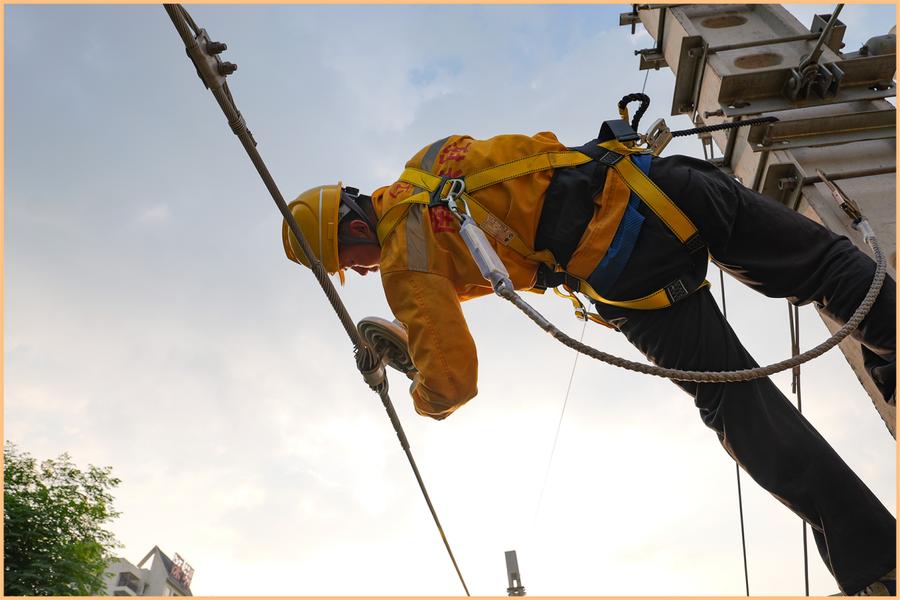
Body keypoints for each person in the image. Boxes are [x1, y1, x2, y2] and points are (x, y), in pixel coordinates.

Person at [282, 129, 896, 595]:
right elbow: (494, 227)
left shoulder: (403, 264)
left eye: (349, 261)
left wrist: (419, 385)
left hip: (628, 266)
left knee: (739, 405)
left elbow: (453, 381)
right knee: (826, 267)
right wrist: (418, 331)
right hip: (659, 182)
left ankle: (877, 562)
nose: (361, 270)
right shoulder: (432, 158)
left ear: (350, 232)